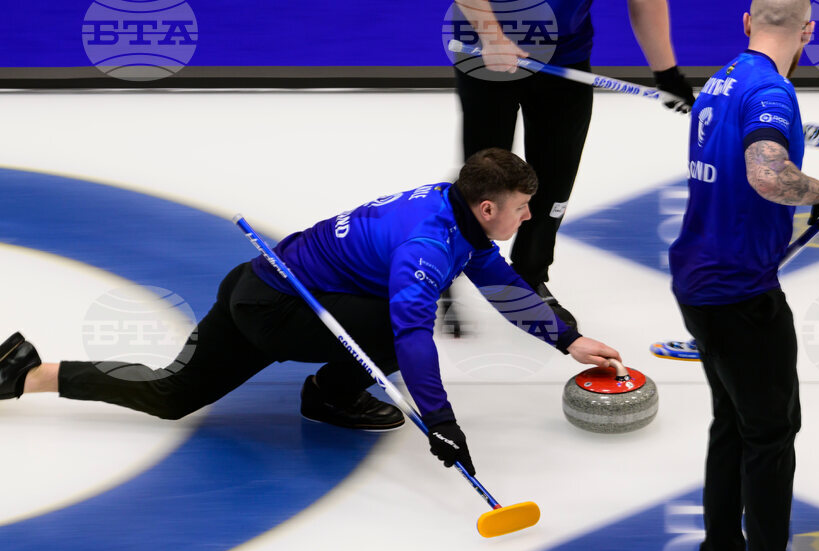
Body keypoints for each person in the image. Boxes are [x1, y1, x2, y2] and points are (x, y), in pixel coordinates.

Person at [0, 149, 621, 476]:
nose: (529, 217)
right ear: (487, 209)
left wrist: (568, 340)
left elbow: (502, 284)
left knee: (171, 395)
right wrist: (442, 421)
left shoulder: (450, 208)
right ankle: (330, 394)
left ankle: (27, 372)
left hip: (260, 286)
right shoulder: (426, 248)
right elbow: (410, 338)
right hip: (276, 309)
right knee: (400, 322)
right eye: (522, 207)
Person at [667, 0, 819, 551]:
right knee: (771, 435)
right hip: (742, 294)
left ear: (746, 24)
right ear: (809, 32)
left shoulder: (721, 80)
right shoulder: (771, 91)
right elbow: (767, 175)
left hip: (698, 280)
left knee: (734, 425)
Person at [445, 0, 696, 332]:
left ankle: (529, 277)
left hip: (564, 56)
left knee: (555, 181)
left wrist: (666, 72)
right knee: (485, 182)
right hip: (485, 49)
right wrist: (492, 37)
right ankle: (442, 264)